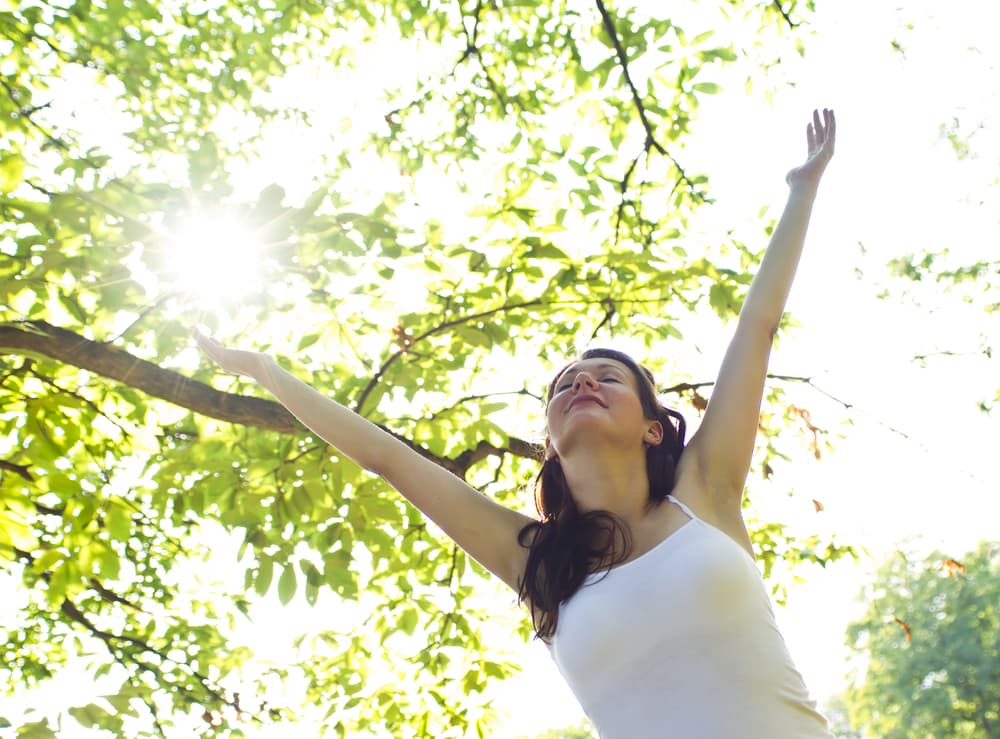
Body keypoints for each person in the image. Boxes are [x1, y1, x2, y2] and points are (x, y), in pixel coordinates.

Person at [194, 108, 837, 738]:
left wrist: (801, 193)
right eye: (564, 385)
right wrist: (267, 373)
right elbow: (385, 458)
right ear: (551, 445)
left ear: (652, 427)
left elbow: (757, 326)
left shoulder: (705, 490)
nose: (582, 381)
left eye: (607, 377)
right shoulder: (533, 562)